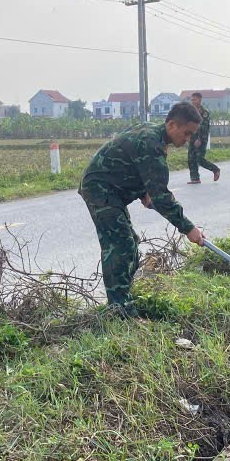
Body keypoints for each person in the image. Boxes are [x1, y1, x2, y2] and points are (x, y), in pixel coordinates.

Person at [79, 102, 206, 316]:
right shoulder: (152, 144)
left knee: (130, 243)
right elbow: (163, 197)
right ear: (172, 125)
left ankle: (122, 297)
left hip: (113, 189)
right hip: (100, 189)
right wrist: (189, 229)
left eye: (191, 135)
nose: (187, 140)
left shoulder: (154, 133)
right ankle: (119, 310)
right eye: (186, 134)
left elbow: (129, 160)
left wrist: (143, 191)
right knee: (120, 245)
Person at [186, 92, 221, 184]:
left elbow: (204, 128)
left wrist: (199, 139)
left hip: (201, 139)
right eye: (192, 100)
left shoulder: (204, 113)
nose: (193, 102)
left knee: (199, 159)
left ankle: (215, 169)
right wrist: (187, 136)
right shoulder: (190, 112)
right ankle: (195, 178)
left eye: (195, 100)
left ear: (200, 100)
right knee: (191, 158)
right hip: (192, 138)